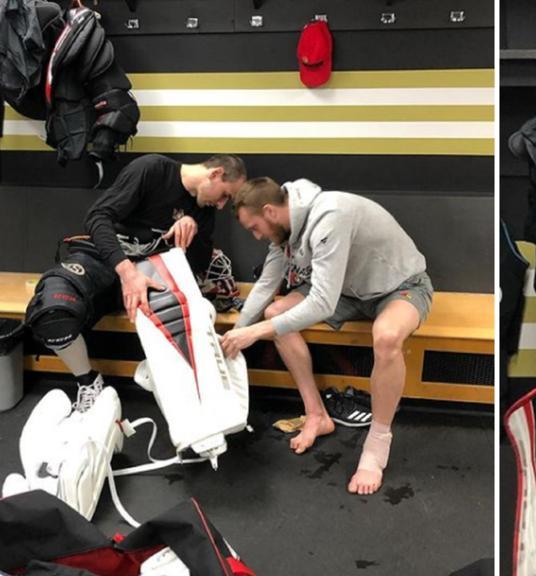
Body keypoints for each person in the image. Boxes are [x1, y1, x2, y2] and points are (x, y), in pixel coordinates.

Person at [220, 177, 431, 496]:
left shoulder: (330, 215)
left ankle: (377, 443)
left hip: (399, 287)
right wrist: (235, 334)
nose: (257, 235)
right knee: (276, 314)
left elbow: (322, 303)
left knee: (386, 337)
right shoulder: (284, 232)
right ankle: (317, 415)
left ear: (269, 211)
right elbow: (266, 285)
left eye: (254, 227)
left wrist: (255, 333)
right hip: (347, 291)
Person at [25, 154, 247, 413]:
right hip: (105, 261)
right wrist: (126, 271)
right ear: (216, 174)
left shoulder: (203, 209)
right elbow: (98, 218)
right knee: (52, 307)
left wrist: (193, 229)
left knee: (192, 314)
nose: (221, 205)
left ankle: (189, 406)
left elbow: (196, 267)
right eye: (225, 195)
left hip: (150, 275)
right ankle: (87, 381)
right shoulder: (152, 170)